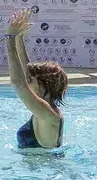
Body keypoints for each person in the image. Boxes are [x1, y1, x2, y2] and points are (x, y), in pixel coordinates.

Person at [5, 10, 67, 149]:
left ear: (44, 85)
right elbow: (26, 71)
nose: (27, 80)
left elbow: (18, 83)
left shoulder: (48, 113)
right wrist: (18, 38)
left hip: (46, 169)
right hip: (40, 168)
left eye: (31, 80)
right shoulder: (44, 108)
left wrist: (9, 38)